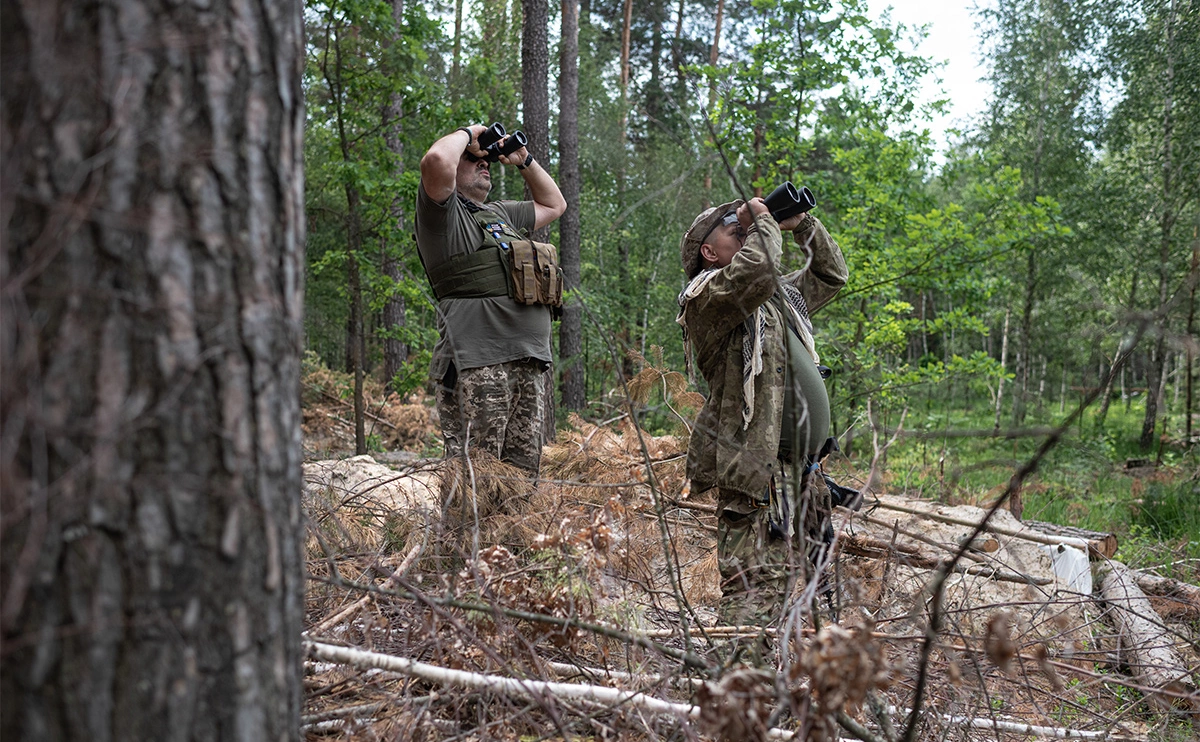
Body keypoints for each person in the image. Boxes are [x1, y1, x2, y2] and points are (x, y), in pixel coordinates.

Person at [676, 196, 847, 626]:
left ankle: (796, 682)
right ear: (708, 253)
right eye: (727, 223)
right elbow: (756, 269)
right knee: (753, 588)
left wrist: (803, 223)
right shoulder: (710, 298)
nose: (739, 222)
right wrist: (763, 222)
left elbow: (830, 273)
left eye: (742, 220)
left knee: (813, 586)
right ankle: (734, 685)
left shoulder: (775, 298)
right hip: (757, 471)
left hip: (803, 471)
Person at [415, 124, 567, 478]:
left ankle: (512, 538)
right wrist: (469, 134)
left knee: (519, 487)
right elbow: (436, 159)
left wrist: (522, 159)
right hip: (477, 364)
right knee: (476, 485)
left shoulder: (501, 214)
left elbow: (554, 204)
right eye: (472, 159)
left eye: (486, 161)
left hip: (528, 363)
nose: (484, 164)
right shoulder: (442, 215)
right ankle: (463, 538)